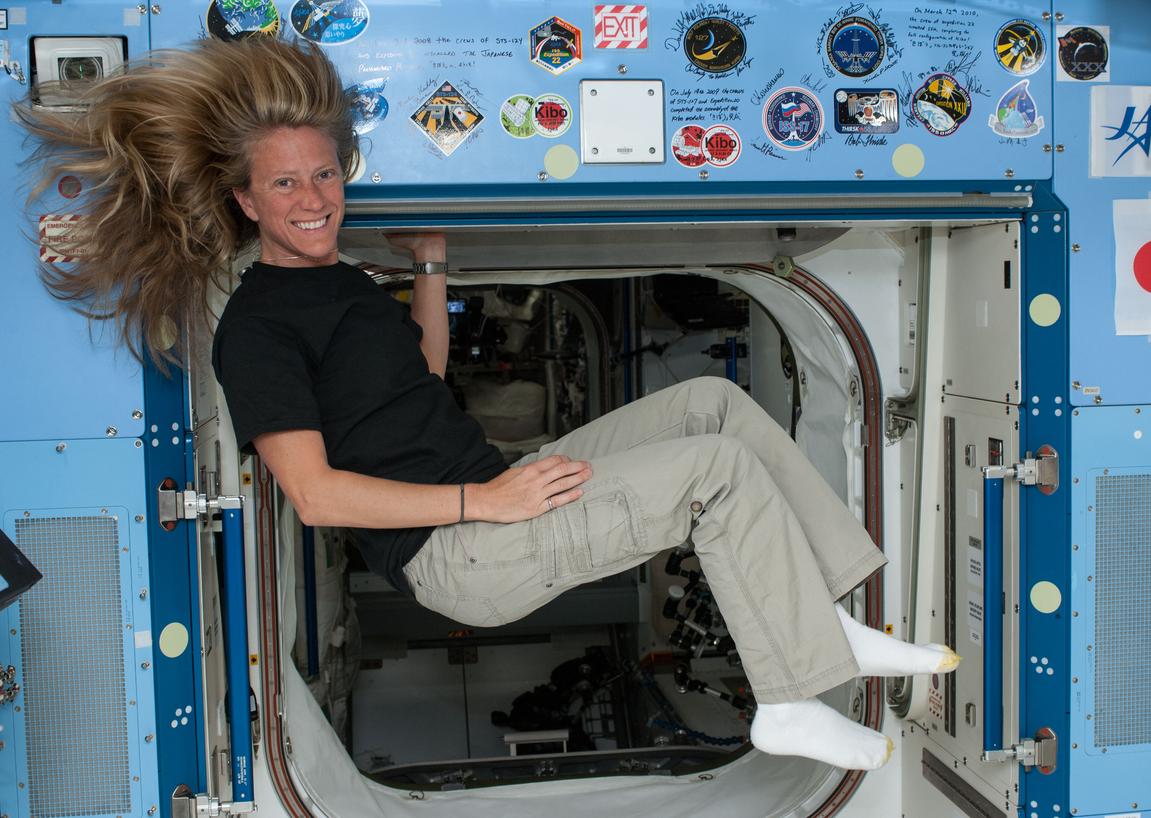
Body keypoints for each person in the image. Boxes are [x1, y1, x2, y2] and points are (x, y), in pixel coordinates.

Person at [23, 37, 957, 771]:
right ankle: (790, 701)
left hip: (489, 498)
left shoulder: (342, 284)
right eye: (286, 184)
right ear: (246, 201)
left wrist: (430, 265)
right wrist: (488, 501)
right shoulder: (257, 331)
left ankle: (827, 617)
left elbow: (418, 378)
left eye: (324, 174)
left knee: (710, 406)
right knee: (715, 474)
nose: (314, 198)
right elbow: (315, 495)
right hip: (461, 551)